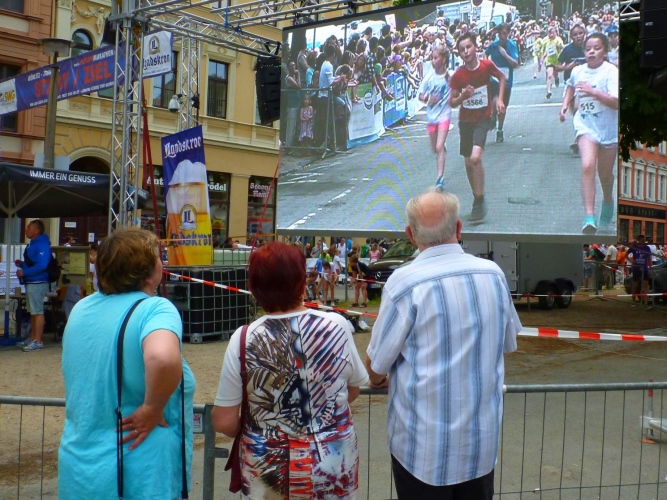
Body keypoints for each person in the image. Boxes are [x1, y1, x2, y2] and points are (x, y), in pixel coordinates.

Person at [366, 189, 520, 499]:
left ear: (411, 234)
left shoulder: (405, 282)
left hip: (422, 453)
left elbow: (377, 364)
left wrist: (378, 379)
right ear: (459, 228)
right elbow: (508, 342)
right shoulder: (493, 275)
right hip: (479, 448)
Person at [211, 242, 368, 498]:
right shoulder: (336, 326)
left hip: (268, 470)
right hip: (333, 465)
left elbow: (223, 420)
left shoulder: (244, 338)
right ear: (302, 282)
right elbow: (353, 390)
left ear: (255, 288)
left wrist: (263, 428)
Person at [58, 227, 195, 497]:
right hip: (139, 469)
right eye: (158, 257)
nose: (162, 262)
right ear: (147, 269)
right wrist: (152, 409)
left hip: (80, 465)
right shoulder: (155, 308)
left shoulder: (82, 308)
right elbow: (163, 358)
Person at [559, 33, 618, 234]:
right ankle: (589, 216)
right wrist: (564, 105)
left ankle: (608, 200)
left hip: (608, 128)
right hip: (586, 125)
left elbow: (615, 103)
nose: (591, 52)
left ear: (605, 51)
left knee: (605, 175)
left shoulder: (611, 72)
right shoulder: (578, 71)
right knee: (587, 165)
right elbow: (570, 87)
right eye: (588, 49)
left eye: (597, 48)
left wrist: (593, 92)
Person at [450, 32, 507, 224]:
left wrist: (499, 99)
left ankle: (480, 199)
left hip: (483, 118)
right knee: (468, 162)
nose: (466, 52)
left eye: (468, 47)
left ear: (475, 47)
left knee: (475, 158)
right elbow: (452, 102)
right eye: (462, 49)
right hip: (466, 121)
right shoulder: (458, 75)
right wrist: (463, 96)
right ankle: (477, 197)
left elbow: (502, 77)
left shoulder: (486, 66)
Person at [417, 42, 452, 191]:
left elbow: (459, 87)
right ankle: (442, 147)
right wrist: (428, 98)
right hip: (431, 117)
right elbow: (420, 95)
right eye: (432, 57)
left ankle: (440, 178)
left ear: (443, 60)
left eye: (436, 57)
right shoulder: (429, 77)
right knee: (435, 149)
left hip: (444, 115)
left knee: (439, 147)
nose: (433, 60)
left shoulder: (450, 76)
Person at [15, 220, 52, 352]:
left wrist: (25, 272)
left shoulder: (41, 244)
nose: (26, 230)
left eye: (29, 228)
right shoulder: (34, 243)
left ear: (36, 231)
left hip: (38, 281)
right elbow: (35, 262)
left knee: (37, 311)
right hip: (32, 281)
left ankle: (38, 341)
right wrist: (22, 264)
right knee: (33, 311)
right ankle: (33, 337)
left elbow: (42, 264)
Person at [485, 24, 519, 143]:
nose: (502, 36)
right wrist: (487, 64)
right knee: (494, 100)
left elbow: (515, 63)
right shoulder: (494, 45)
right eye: (500, 34)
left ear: (508, 34)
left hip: (507, 80)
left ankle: (500, 129)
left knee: (503, 106)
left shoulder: (512, 45)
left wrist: (505, 54)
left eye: (504, 33)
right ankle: (493, 114)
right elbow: (485, 54)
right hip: (494, 78)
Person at [627, 234, 652, 306]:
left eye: (644, 240)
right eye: (642, 240)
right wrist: (631, 260)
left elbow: (649, 257)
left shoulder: (647, 248)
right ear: (638, 240)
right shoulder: (634, 247)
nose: (644, 241)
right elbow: (626, 254)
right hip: (636, 268)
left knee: (646, 285)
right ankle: (633, 301)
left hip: (644, 268)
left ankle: (646, 302)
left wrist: (650, 266)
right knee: (635, 285)